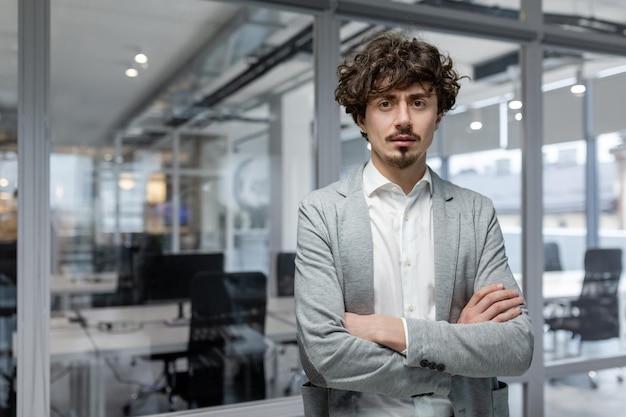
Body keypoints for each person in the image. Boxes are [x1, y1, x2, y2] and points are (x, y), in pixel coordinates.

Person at [294, 31, 533, 417]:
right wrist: (453, 356)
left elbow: (516, 348)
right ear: (361, 117)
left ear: (437, 115)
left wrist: (394, 331)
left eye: (418, 102)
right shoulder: (322, 212)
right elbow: (326, 357)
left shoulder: (475, 212)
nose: (403, 119)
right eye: (386, 103)